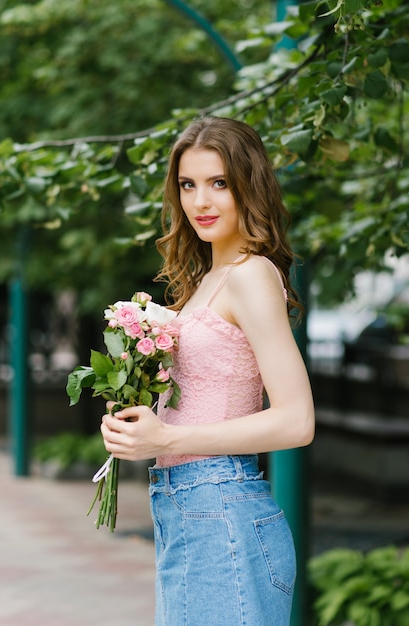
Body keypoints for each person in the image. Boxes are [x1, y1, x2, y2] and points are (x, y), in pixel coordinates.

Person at [101, 116, 315, 625]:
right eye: (188, 185)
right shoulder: (210, 278)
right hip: (190, 513)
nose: (200, 202)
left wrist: (167, 441)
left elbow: (296, 420)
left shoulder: (251, 275)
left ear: (249, 185)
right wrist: (135, 420)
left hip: (222, 511)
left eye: (219, 183)